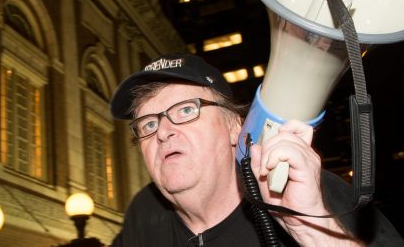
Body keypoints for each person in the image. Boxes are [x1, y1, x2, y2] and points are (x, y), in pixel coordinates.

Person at [109, 53, 403, 246]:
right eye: (147, 124)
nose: (163, 131)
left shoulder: (305, 190)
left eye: (186, 110)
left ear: (235, 128)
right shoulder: (143, 214)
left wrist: (308, 226)